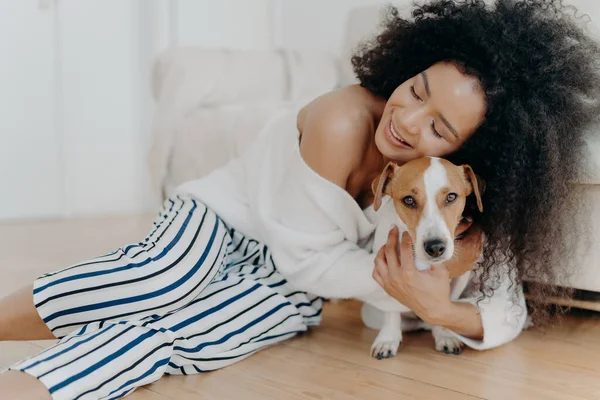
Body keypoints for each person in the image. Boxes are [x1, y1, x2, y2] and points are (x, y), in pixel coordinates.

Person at [2, 0, 599, 399]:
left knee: (192, 336)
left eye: (441, 129)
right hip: (233, 221)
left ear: (475, 154)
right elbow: (306, 258)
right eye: (416, 90)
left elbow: (507, 308)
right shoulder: (343, 120)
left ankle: (36, 384)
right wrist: (407, 282)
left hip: (300, 282)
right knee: (160, 282)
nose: (408, 120)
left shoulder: (458, 198)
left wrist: (440, 309)